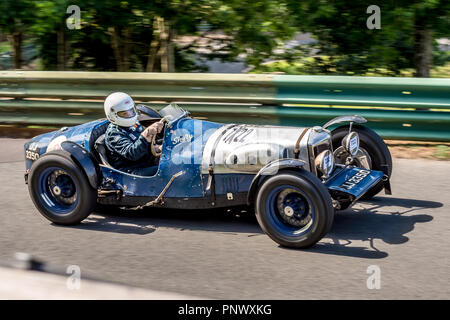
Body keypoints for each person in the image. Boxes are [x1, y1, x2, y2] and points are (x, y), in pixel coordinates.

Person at [103, 92, 163, 176]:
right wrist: (146, 134)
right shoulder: (114, 134)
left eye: (131, 111)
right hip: (130, 171)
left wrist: (158, 148)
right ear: (113, 115)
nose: (130, 115)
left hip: (145, 162)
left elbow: (144, 146)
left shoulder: (134, 124)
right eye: (125, 113)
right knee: (168, 171)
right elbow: (133, 154)